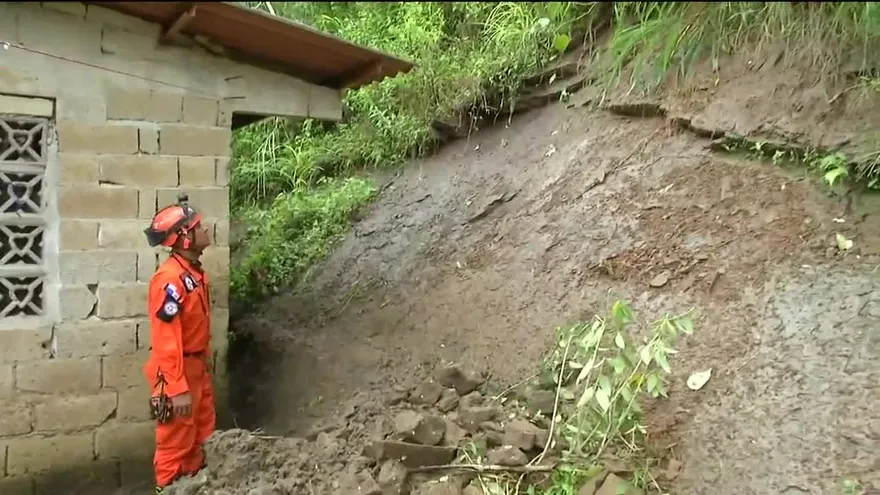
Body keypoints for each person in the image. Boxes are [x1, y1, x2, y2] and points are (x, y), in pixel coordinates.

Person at [141, 193, 215, 493]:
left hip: (196, 367)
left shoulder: (193, 274)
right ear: (184, 237)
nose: (206, 229)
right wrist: (176, 388)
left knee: (203, 437)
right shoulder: (169, 280)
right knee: (175, 445)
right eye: (199, 226)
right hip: (177, 373)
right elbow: (165, 339)